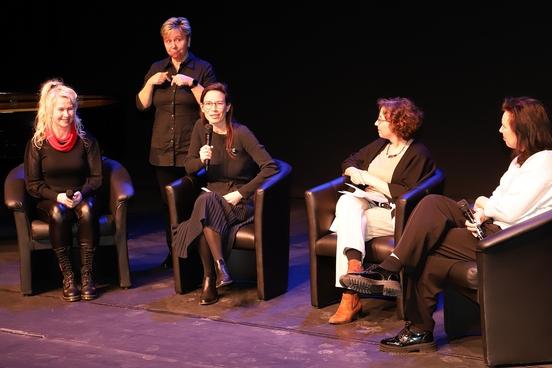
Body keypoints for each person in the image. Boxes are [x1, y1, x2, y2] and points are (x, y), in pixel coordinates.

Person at [341, 96, 552, 352]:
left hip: (512, 242)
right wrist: (483, 213)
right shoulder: (520, 161)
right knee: (430, 238)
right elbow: (500, 198)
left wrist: (483, 205)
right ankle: (419, 328)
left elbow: (509, 211)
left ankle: (391, 269)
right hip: (493, 231)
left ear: (524, 128)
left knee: (433, 213)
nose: (500, 130)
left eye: (504, 126)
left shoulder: (544, 162)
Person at [328, 97, 436, 324]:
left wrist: (369, 178)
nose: (376, 124)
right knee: (347, 203)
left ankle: (349, 297)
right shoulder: (379, 146)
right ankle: (354, 269)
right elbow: (349, 160)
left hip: (395, 214)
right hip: (368, 203)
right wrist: (352, 171)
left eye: (381, 120)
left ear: (397, 123)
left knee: (346, 223)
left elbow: (406, 191)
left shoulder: (418, 153)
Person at [171, 82, 279, 305]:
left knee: (203, 207)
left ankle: (210, 277)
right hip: (212, 197)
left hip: (238, 202)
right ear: (202, 107)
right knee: (206, 202)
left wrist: (242, 193)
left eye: (218, 103)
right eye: (208, 104)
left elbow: (270, 167)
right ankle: (220, 269)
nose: (213, 109)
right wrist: (200, 159)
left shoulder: (241, 133)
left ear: (228, 107)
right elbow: (189, 166)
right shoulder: (201, 129)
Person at [137, 16, 217, 268]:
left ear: (188, 40)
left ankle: (195, 252)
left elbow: (213, 104)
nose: (174, 46)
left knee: (192, 201)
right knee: (167, 204)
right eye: (168, 41)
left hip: (190, 150)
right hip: (162, 150)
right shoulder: (157, 68)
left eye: (178, 40)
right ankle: (174, 253)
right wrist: (151, 82)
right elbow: (142, 104)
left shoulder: (202, 68)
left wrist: (192, 83)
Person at [24, 79, 102, 302]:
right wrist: (57, 196)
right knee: (59, 212)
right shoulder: (38, 143)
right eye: (61, 109)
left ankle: (87, 275)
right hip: (50, 197)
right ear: (50, 111)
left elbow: (96, 178)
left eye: (70, 109)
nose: (66, 114)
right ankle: (68, 275)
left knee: (87, 211)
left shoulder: (86, 140)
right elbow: (33, 184)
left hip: (81, 194)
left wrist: (82, 193)